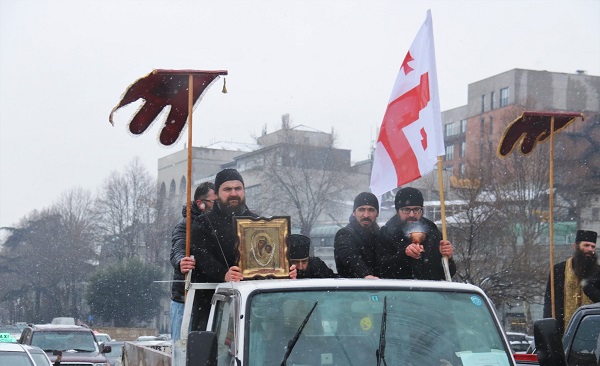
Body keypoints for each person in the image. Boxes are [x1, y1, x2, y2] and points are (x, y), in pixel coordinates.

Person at [190, 168, 297, 330]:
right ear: (217, 194)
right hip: (213, 307)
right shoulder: (203, 223)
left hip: (256, 310)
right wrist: (223, 273)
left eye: (238, 188)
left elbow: (271, 255)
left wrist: (286, 270)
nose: (233, 193)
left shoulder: (260, 223)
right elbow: (202, 256)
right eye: (227, 189)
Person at [169, 182, 217, 341]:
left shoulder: (218, 225)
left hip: (210, 300)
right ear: (200, 204)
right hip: (185, 299)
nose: (218, 206)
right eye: (214, 202)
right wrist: (182, 261)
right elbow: (178, 246)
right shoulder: (184, 226)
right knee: (182, 349)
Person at [377, 187, 456, 280]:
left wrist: (447, 257)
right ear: (397, 211)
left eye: (416, 209)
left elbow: (448, 273)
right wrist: (404, 254)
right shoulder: (386, 233)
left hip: (430, 291)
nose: (411, 214)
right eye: (406, 210)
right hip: (399, 292)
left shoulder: (432, 231)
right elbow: (381, 269)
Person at [544, 229, 598, 335]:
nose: (590, 249)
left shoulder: (598, 272)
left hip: (593, 335)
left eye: (593, 246)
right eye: (586, 245)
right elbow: (549, 303)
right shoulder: (559, 270)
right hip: (563, 332)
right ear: (575, 246)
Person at [334, 192, 380, 278]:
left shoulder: (381, 235)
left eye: (371, 210)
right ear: (354, 213)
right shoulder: (345, 234)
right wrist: (366, 275)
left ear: (377, 213)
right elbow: (351, 258)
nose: (366, 215)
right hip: (352, 289)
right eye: (361, 209)